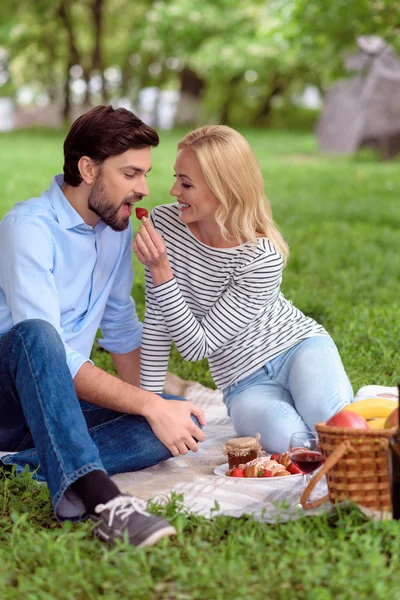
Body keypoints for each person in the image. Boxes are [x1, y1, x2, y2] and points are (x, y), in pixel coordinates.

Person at [0, 105, 205, 548]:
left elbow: (120, 326)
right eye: (131, 174)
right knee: (40, 335)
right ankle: (103, 501)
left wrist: (155, 406)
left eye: (145, 175)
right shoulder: (28, 227)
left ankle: (19, 464)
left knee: (172, 418)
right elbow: (46, 353)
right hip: (8, 394)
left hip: (56, 404)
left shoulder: (115, 232)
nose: (144, 190)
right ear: (88, 168)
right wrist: (146, 406)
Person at [133, 124, 353, 453]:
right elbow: (157, 323)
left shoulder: (262, 257)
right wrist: (150, 407)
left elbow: (197, 346)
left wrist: (161, 269)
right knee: (295, 442)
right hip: (243, 383)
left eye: (186, 183)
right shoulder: (163, 225)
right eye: (176, 177)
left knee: (335, 430)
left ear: (224, 189)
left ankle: (345, 402)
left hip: (297, 350)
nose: (173, 190)